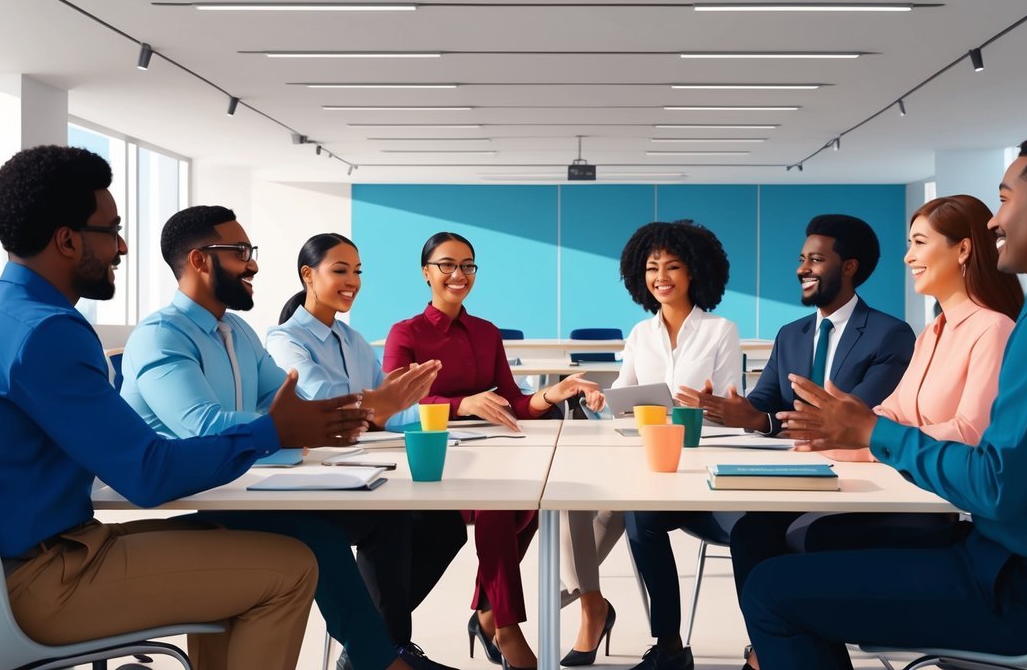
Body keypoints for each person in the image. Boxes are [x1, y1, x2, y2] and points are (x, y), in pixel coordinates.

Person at [0, 146, 328, 670]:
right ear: (67, 240)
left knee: (237, 536)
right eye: (112, 230)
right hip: (41, 583)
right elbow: (148, 476)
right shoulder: (49, 331)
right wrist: (269, 432)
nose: (123, 246)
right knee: (290, 568)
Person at [746, 129, 1027, 668]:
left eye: (1004, 199)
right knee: (806, 545)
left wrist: (872, 433)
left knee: (771, 590)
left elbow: (994, 485)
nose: (995, 221)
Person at [121, 207, 451, 670]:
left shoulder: (237, 332)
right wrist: (344, 416)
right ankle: (381, 662)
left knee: (387, 517)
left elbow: (288, 403)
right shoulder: (160, 338)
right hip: (189, 495)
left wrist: (369, 409)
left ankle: (380, 651)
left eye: (250, 252)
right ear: (199, 261)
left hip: (237, 490)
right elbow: (204, 427)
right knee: (315, 533)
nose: (252, 263)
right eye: (240, 253)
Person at [728, 195, 1023, 669]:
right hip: (904, 491)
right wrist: (826, 435)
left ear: (963, 251)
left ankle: (777, 648)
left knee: (802, 541)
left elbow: (971, 433)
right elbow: (892, 413)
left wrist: (860, 438)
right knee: (754, 533)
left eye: (919, 243)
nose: (907, 256)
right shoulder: (934, 333)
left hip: (939, 513)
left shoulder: (992, 329)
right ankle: (773, 654)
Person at [637, 214, 912, 670]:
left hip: (847, 483)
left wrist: (767, 420)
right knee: (648, 513)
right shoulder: (793, 335)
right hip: (782, 477)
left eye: (816, 259)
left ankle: (769, 652)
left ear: (849, 266)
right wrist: (738, 412)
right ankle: (714, 647)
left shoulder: (889, 334)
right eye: (801, 259)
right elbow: (764, 404)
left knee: (754, 532)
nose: (803, 268)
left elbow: (847, 421)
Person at [382, 231, 602, 670]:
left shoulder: (485, 333)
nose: (458, 274)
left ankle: (486, 612)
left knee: (536, 501)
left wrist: (550, 395)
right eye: (446, 265)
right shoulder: (405, 333)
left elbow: (512, 401)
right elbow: (394, 405)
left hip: (489, 454)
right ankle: (504, 625)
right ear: (426, 273)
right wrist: (461, 404)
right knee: (500, 506)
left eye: (467, 265)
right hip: (433, 461)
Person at [265, 232, 469, 663]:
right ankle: (385, 649)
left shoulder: (353, 339)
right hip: (312, 475)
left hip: (361, 468)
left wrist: (453, 416)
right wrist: (380, 405)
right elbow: (331, 406)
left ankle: (373, 647)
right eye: (340, 270)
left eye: (357, 272)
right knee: (393, 519)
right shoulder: (285, 340)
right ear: (308, 275)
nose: (352, 281)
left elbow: (387, 409)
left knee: (445, 525)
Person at [568, 220, 740, 669]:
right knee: (633, 514)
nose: (661, 276)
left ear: (695, 272)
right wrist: (601, 399)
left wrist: (707, 404)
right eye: (651, 267)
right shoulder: (641, 334)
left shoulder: (720, 330)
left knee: (625, 514)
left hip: (704, 471)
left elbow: (729, 411)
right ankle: (668, 645)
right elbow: (622, 399)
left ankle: (575, 595)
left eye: (673, 266)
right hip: (654, 465)